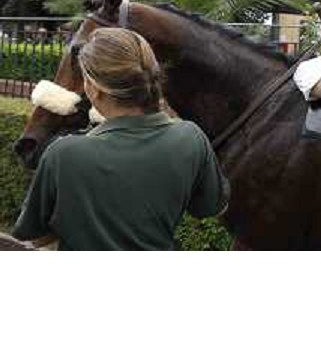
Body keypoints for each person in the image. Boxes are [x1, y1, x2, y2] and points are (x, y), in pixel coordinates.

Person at [12, 27, 229, 251]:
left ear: (94, 90)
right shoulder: (191, 137)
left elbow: (37, 236)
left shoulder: (63, 153)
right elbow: (212, 207)